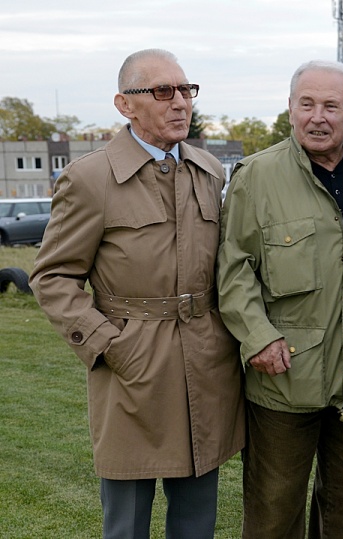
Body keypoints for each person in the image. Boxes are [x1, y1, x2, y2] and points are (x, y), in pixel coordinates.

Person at [29, 48, 244, 539]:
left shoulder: (209, 171)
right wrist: (108, 345)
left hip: (204, 367)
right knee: (126, 522)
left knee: (197, 520)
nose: (180, 103)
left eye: (186, 90)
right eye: (163, 92)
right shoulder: (89, 178)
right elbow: (53, 277)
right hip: (131, 369)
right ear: (125, 105)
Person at [217, 60, 343, 539]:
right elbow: (232, 271)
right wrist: (259, 338)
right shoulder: (256, 176)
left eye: (331, 106)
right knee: (274, 515)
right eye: (306, 104)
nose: (318, 117)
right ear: (289, 111)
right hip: (284, 382)